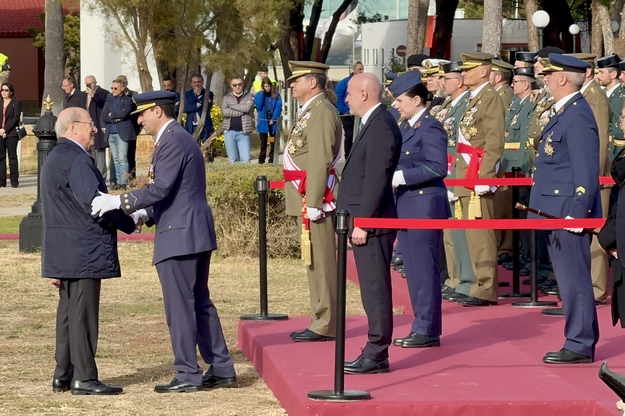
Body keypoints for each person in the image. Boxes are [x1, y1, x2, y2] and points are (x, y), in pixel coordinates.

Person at [90, 91, 237, 393]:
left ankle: (188, 373)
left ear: (157, 111)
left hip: (180, 234)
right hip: (191, 230)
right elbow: (177, 191)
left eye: (142, 114)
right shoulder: (178, 138)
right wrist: (145, 212)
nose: (139, 120)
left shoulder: (171, 140)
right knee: (199, 302)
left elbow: (161, 188)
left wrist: (118, 201)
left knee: (180, 307)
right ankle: (221, 368)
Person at [42, 107, 135, 395]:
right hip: (84, 249)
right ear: (73, 127)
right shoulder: (77, 159)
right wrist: (130, 221)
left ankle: (64, 374)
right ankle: (84, 377)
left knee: (68, 314)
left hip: (66, 250)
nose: (95, 129)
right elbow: (95, 204)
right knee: (82, 315)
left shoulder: (55, 157)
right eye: (90, 124)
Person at [529, 53, 600, 364]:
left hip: (567, 210)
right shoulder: (565, 111)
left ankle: (580, 343)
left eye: (548, 74)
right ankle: (578, 338)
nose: (544, 79)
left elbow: (586, 169)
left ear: (562, 79)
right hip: (554, 208)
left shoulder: (577, 115)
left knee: (574, 280)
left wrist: (579, 211)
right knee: (568, 279)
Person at [337, 73, 401, 374]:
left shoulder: (381, 126)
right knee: (370, 289)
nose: (346, 99)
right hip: (366, 220)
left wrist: (362, 222)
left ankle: (377, 352)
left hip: (372, 223)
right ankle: (376, 350)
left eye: (349, 94)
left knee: (375, 289)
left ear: (364, 94)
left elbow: (376, 179)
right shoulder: (373, 123)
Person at [389, 70, 450, 349]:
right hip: (407, 205)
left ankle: (427, 328)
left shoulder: (430, 127)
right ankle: (421, 325)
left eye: (400, 100)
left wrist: (403, 176)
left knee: (424, 270)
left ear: (416, 100)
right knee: (414, 270)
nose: (396, 105)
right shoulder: (406, 126)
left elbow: (438, 167)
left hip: (424, 206)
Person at [282, 61, 342, 342]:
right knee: (314, 262)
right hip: (305, 195)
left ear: (313, 82)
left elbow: (320, 158)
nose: (292, 85)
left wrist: (315, 200)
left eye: (297, 80)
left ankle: (326, 322)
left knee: (322, 263)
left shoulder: (321, 112)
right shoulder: (311, 111)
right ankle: (321, 317)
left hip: (314, 198)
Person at [454, 52, 505, 307]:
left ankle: (486, 287)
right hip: (466, 172)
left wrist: (486, 177)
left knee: (482, 234)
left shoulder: (490, 98)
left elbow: (494, 141)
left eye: (468, 69)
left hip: (477, 174)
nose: (463, 73)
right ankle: (477, 283)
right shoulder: (475, 98)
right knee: (471, 235)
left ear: (484, 71)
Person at [434, 61, 474, 302]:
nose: (442, 82)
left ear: (459, 82)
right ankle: (455, 277)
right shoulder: (449, 104)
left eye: (446, 78)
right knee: (450, 231)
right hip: (447, 171)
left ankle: (466, 278)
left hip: (458, 171)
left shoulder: (466, 104)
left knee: (460, 231)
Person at [101, 79, 137, 189]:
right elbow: (104, 115)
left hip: (122, 133)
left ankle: (124, 182)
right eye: (112, 88)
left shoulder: (128, 100)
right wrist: (116, 119)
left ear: (122, 88)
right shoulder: (109, 99)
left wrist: (112, 115)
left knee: (122, 158)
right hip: (111, 132)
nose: (113, 90)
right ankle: (117, 182)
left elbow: (123, 114)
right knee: (115, 159)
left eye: (115, 88)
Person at [221, 75, 254, 163]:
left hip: (243, 133)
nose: (237, 87)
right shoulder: (226, 98)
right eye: (235, 85)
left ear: (243, 84)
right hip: (229, 132)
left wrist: (231, 106)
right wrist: (242, 110)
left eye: (239, 84)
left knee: (246, 160)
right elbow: (225, 112)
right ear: (231, 86)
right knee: (233, 160)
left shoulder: (249, 96)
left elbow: (247, 108)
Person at [335, 62, 364, 158]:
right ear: (354, 70)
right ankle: (348, 156)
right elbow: (338, 97)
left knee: (360, 134)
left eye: (362, 69)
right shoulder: (344, 83)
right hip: (347, 114)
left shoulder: (363, 83)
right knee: (349, 134)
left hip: (359, 113)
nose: (361, 71)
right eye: (359, 69)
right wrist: (344, 110)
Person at [84, 75, 110, 181]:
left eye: (91, 83)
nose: (89, 85)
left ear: (95, 82)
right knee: (90, 151)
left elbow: (104, 105)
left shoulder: (103, 93)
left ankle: (102, 176)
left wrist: (93, 95)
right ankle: (93, 176)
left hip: (98, 127)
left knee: (99, 153)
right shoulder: (84, 95)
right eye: (87, 84)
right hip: (88, 127)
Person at [254, 77, 282, 164]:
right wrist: (262, 94)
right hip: (263, 122)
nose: (267, 88)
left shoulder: (276, 95)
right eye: (265, 86)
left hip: (272, 123)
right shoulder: (259, 94)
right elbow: (258, 106)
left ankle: (271, 159)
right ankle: (261, 160)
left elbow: (278, 107)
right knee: (263, 142)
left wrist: (274, 119)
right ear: (263, 87)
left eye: (268, 86)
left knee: (272, 141)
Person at [0, 82, 21, 188]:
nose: (3, 92)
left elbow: (15, 118)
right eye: (2, 90)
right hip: (0, 133)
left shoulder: (16, 103)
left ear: (11, 92)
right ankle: (1, 181)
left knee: (12, 156)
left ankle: (14, 181)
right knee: (1, 157)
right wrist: (1, 130)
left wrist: (5, 129)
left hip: (11, 134)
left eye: (6, 90)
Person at [184, 73, 214, 142]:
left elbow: (207, 107)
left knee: (204, 146)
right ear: (191, 83)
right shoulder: (187, 94)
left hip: (204, 125)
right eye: (194, 82)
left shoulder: (209, 93)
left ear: (202, 82)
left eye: (198, 82)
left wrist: (198, 95)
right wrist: (198, 105)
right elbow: (186, 108)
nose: (197, 84)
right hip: (191, 126)